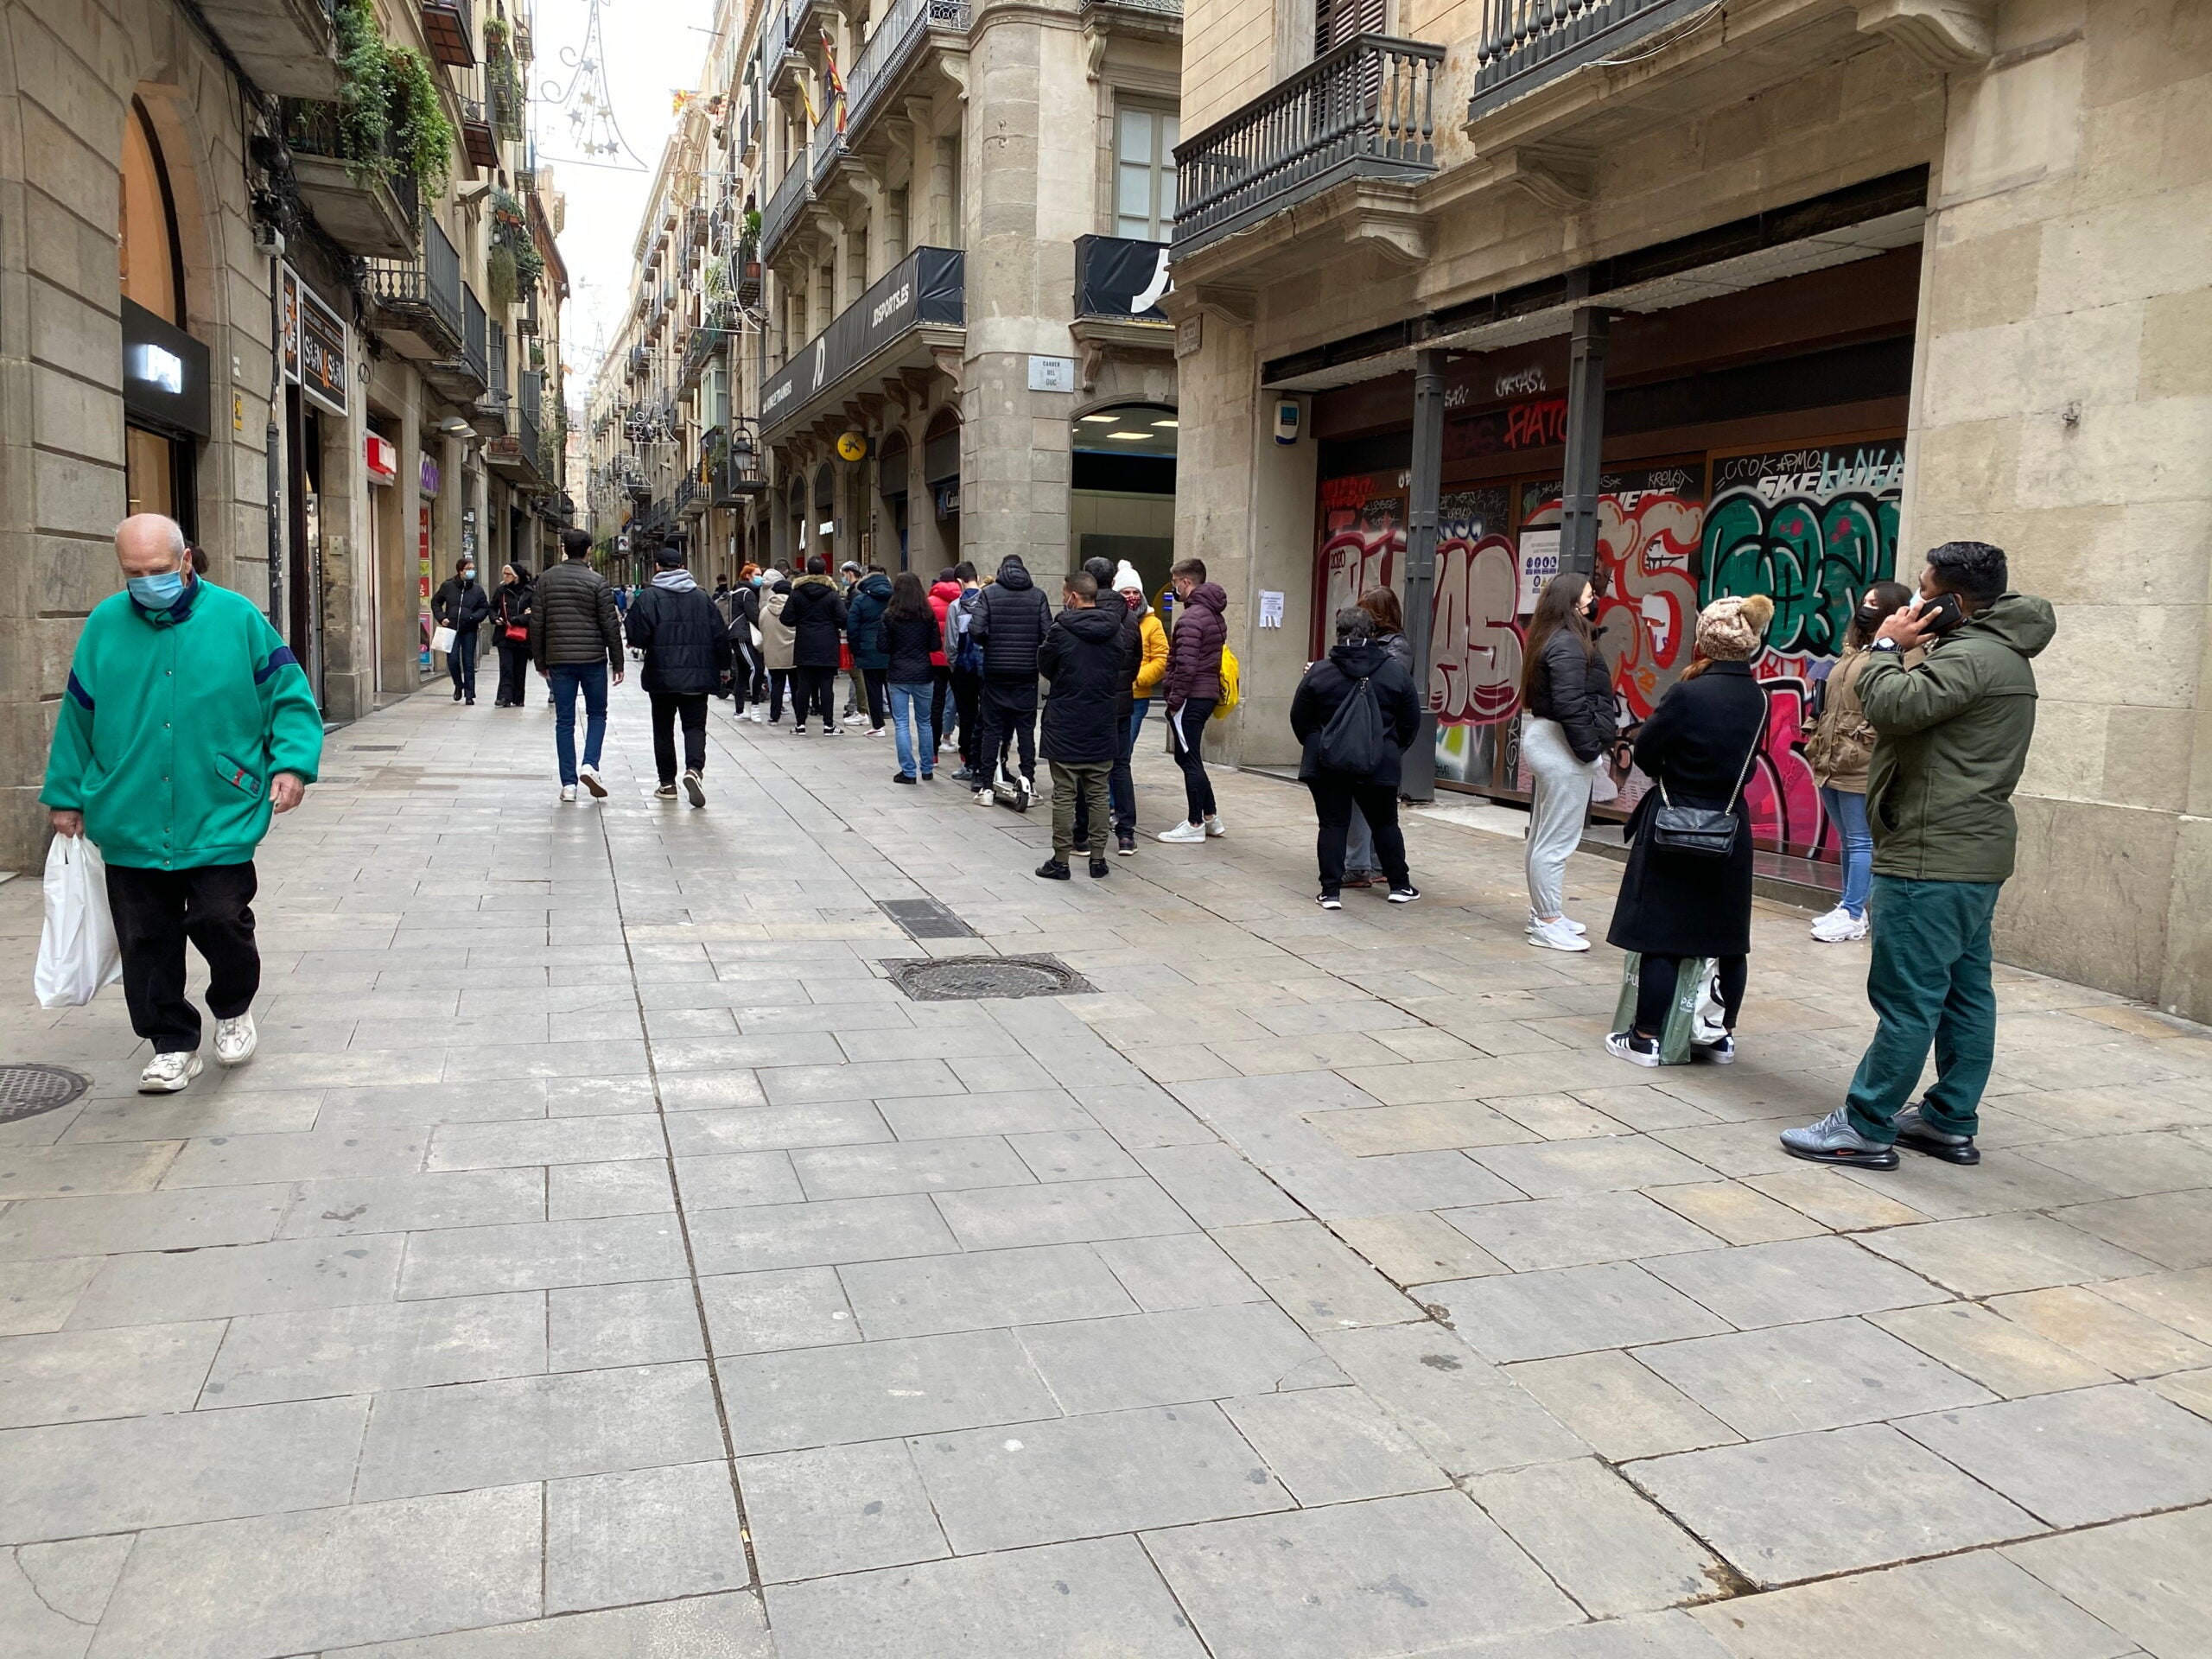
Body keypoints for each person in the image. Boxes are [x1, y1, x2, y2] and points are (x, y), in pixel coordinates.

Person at [1782, 543, 2056, 1171]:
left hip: (1932, 854)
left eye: (1925, 589)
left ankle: (1865, 1123)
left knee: (1908, 995)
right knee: (1964, 989)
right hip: (1967, 852)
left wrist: (1885, 645)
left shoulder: (1972, 658)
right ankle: (1947, 1117)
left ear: (1953, 600)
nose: (1916, 599)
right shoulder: (1997, 653)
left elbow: (1894, 707)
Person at [41, 514, 321, 1093]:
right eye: (134, 573)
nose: (147, 582)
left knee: (221, 917)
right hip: (128, 811)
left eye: (159, 570)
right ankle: (171, 1043)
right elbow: (78, 717)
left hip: (218, 804)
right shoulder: (104, 625)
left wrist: (292, 763)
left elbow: (289, 697)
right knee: (145, 938)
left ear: (187, 560)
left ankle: (233, 1006)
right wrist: (66, 796)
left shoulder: (238, 618)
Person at [1604, 594, 1774, 1067]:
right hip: (1728, 823)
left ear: (1704, 641)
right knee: (1726, 936)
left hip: (1675, 819)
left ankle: (1645, 1037)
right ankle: (1719, 1036)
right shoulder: (1759, 698)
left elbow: (1647, 752)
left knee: (1663, 933)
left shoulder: (1686, 693)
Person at [1804, 580, 1916, 942]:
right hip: (1831, 756)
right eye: (1864, 600)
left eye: (1875, 603)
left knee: (1860, 839)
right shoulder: (1854, 650)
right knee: (1847, 838)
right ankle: (1848, 905)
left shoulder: (1902, 652)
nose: (1865, 608)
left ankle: (1854, 913)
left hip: (1861, 759)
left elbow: (1894, 699)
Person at [1290, 607, 1423, 907]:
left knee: (1333, 824)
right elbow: (1410, 719)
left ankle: (1330, 892)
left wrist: (1321, 744)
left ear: (1338, 633)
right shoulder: (1394, 671)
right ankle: (1400, 885)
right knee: (1386, 823)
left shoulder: (1320, 672)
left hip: (1327, 763)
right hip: (1380, 761)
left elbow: (1300, 717)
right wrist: (1388, 746)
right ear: (1371, 633)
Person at [1519, 571, 1618, 952]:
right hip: (1563, 746)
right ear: (1572, 600)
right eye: (1590, 595)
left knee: (1545, 834)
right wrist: (1591, 750)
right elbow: (1571, 702)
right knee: (1557, 839)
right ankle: (1547, 920)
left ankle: (1546, 912)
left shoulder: (1554, 636)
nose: (1594, 601)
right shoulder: (1568, 642)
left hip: (1554, 741)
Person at [626, 537, 732, 804]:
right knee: (695, 727)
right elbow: (720, 635)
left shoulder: (648, 597)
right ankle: (694, 769)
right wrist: (725, 668)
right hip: (698, 676)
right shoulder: (702, 597)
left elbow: (637, 637)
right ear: (682, 566)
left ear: (658, 568)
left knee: (663, 730)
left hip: (661, 676)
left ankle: (667, 784)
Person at [1035, 571, 1126, 880]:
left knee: (1064, 794)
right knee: (1098, 793)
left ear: (1074, 596)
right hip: (1101, 719)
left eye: (1064, 594)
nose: (1063, 599)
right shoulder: (1116, 630)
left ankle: (1061, 861)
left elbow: (1046, 665)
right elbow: (1121, 667)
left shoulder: (1061, 630)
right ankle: (1098, 860)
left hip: (1066, 721)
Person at [531, 527, 625, 801]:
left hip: (559, 660)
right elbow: (610, 625)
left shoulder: (546, 581)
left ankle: (569, 785)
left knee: (565, 721)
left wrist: (540, 661)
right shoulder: (598, 581)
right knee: (597, 714)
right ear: (588, 551)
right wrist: (618, 662)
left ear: (564, 549)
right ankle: (590, 764)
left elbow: (537, 623)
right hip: (593, 659)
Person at [1069, 557, 1143, 856]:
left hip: (1088, 702)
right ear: (1114, 581)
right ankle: (1126, 834)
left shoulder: (1078, 613)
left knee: (1085, 768)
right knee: (1121, 766)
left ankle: (1082, 835)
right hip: (1121, 701)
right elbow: (1136, 658)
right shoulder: (1129, 617)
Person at [1342, 586, 1414, 886]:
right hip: (1369, 731)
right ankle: (1374, 862)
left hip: (1379, 732)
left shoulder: (1395, 646)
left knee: (1369, 804)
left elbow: (1389, 687)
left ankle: (1362, 865)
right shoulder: (1369, 642)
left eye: (1365, 609)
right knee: (1372, 804)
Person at [968, 553, 1054, 806]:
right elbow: (1048, 633)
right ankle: (1029, 780)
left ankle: (986, 786)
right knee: (1026, 729)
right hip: (1027, 673)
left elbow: (975, 629)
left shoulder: (989, 594)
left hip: (995, 672)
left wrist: (990, 644)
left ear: (1001, 569)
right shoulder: (1037, 595)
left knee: (992, 728)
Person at [1156, 557, 1230, 843]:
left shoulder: (1190, 618)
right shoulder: (1213, 614)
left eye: (1175, 583)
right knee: (1190, 756)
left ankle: (1195, 822)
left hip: (1191, 696)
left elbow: (1184, 666)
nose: (1174, 589)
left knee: (1188, 758)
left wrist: (1173, 701)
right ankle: (1210, 816)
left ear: (1186, 582)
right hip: (1205, 693)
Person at [876, 571, 941, 784]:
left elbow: (882, 646)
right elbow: (934, 645)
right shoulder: (928, 614)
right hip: (924, 672)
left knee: (902, 723)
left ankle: (908, 771)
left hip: (898, 673)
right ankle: (928, 768)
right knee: (925, 722)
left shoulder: (889, 615)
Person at [784, 556, 849, 734]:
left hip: (804, 642)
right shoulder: (832, 594)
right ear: (825, 571)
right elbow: (844, 619)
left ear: (807, 570)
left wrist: (802, 621)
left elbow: (786, 618)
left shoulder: (797, 593)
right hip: (827, 643)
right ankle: (828, 725)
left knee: (803, 685)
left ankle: (800, 725)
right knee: (826, 685)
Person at [431, 556, 490, 705]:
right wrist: (442, 617)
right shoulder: (448, 586)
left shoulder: (477, 590)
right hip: (451, 629)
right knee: (452, 660)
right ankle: (458, 684)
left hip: (469, 630)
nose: (471, 572)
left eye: (472, 569)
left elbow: (484, 607)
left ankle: (470, 694)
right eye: (468, 569)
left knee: (468, 662)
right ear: (460, 571)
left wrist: (473, 618)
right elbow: (436, 602)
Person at [945, 562, 985, 781]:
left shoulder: (955, 606)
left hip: (963, 667)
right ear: (977, 577)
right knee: (987, 714)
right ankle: (985, 761)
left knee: (967, 715)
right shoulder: (989, 602)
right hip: (986, 667)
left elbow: (951, 643)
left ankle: (969, 762)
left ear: (959, 582)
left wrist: (955, 666)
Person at [847, 565, 893, 735]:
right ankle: (899, 722)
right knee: (893, 688)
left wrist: (856, 649)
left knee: (873, 689)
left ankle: (878, 725)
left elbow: (852, 627)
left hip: (868, 650)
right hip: (891, 650)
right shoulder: (894, 599)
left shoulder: (860, 600)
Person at [725, 563, 766, 722]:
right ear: (748, 576)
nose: (760, 577)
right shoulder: (747, 593)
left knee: (743, 673)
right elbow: (754, 617)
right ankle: (754, 706)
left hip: (737, 635)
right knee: (756, 668)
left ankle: (739, 711)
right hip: (743, 636)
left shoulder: (736, 591)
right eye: (757, 574)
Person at [927, 568, 961, 762]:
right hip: (958, 660)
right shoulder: (964, 601)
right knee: (964, 704)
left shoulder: (930, 603)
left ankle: (933, 752)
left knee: (936, 705)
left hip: (935, 660)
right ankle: (966, 756)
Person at [491, 562, 535, 708]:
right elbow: (492, 608)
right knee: (506, 667)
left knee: (520, 667)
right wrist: (495, 618)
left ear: (516, 576)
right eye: (504, 574)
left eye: (508, 574)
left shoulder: (529, 592)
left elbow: (533, 612)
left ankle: (518, 697)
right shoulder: (501, 590)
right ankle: (504, 697)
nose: (505, 576)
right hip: (504, 634)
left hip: (522, 635)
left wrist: (518, 619)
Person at [759, 567, 796, 725]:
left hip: (773, 655)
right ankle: (800, 716)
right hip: (794, 655)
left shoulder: (765, 611)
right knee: (796, 686)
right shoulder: (796, 609)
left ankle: (774, 717)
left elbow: (762, 629)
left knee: (777, 685)